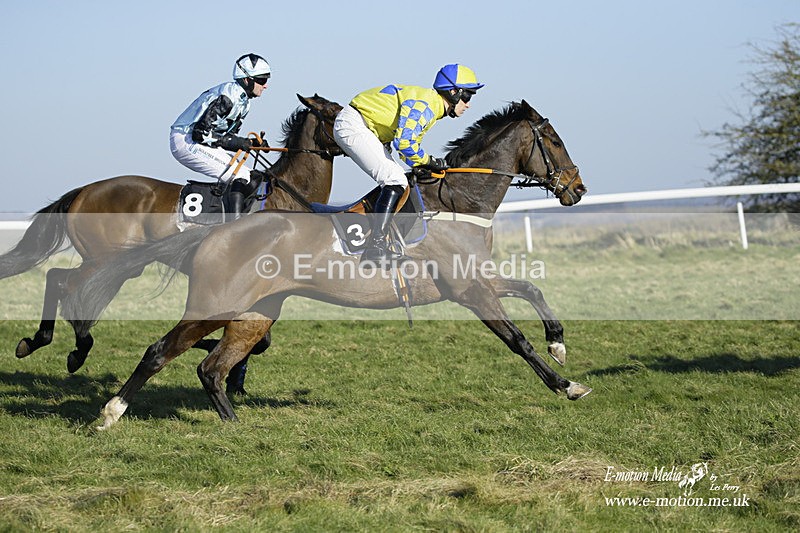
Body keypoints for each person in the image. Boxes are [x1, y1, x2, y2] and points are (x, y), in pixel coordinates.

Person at [333, 64, 484, 266]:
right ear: (454, 92)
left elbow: (407, 147)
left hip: (363, 127)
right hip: (354, 125)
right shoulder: (426, 105)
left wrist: (423, 164)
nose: (468, 104)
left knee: (398, 180)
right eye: (468, 96)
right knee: (394, 179)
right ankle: (375, 247)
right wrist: (430, 162)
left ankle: (380, 239)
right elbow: (405, 145)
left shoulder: (431, 105)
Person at [170, 53, 271, 219]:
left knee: (251, 175)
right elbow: (200, 134)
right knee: (240, 176)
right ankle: (234, 227)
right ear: (247, 80)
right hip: (186, 139)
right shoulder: (228, 97)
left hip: (200, 141)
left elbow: (227, 136)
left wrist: (251, 143)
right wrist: (240, 142)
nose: (265, 85)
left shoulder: (244, 102)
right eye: (261, 80)